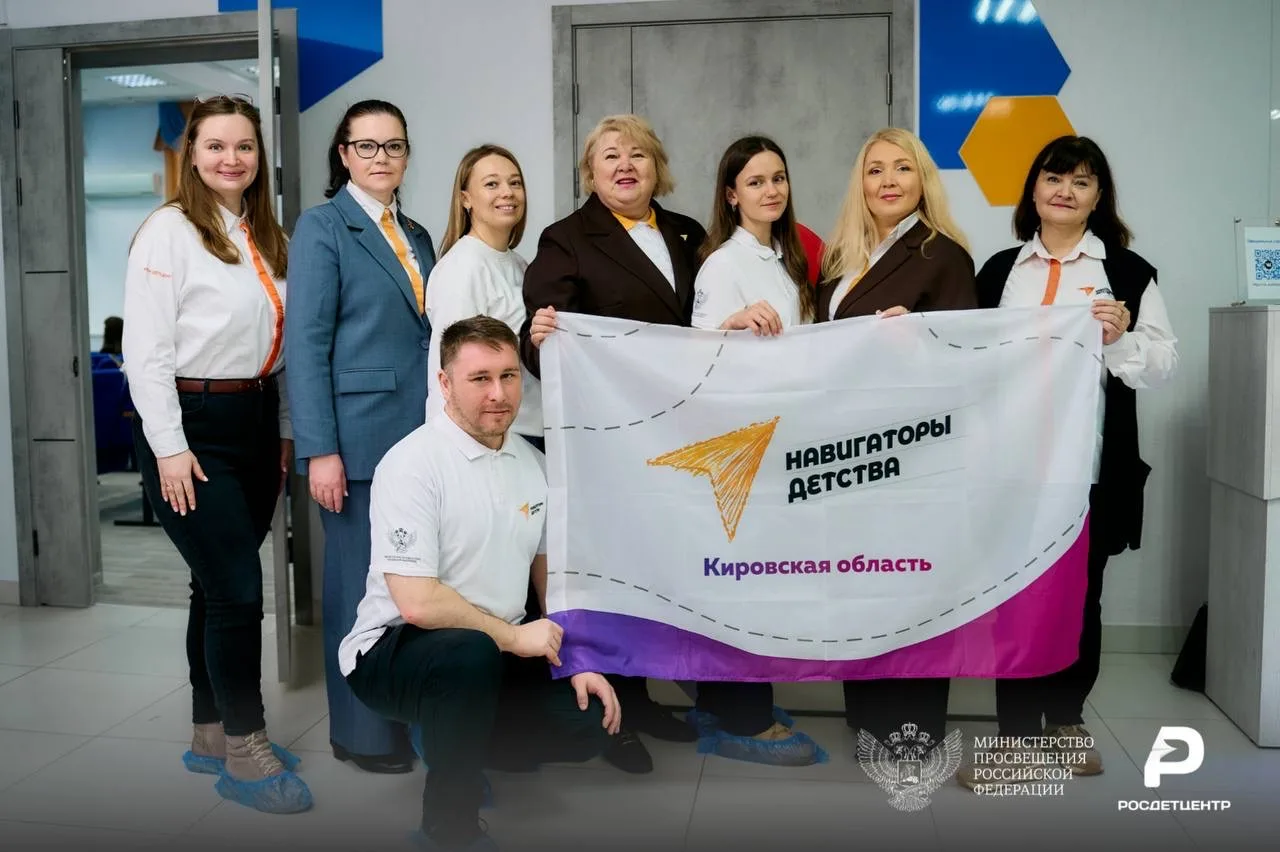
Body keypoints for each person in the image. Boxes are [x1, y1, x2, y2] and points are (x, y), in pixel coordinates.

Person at [341, 316, 618, 851]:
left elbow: (547, 573)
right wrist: (515, 638)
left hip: (491, 649)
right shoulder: (412, 464)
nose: (499, 394)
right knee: (468, 657)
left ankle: (452, 736)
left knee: (584, 722)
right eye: (480, 379)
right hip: (395, 649)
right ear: (445, 384)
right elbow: (417, 603)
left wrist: (579, 661)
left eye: (509, 376)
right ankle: (449, 828)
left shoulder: (532, 463)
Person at [958, 135, 1177, 787]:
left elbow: (1161, 367)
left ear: (1098, 197)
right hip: (1010, 467)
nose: (1065, 191)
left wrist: (1120, 338)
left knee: (1082, 597)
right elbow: (965, 359)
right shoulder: (1000, 271)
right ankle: (1016, 733)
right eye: (1055, 178)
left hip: (1091, 467)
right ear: (1033, 189)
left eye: (1082, 181)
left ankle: (1066, 720)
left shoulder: (1128, 273)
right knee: (1015, 596)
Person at [122, 94, 311, 814]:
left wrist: (284, 428)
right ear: (192, 154)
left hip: (256, 421)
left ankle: (208, 734)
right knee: (237, 588)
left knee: (214, 585)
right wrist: (170, 449)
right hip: (191, 425)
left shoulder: (266, 233)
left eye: (245, 146)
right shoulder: (168, 232)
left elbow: (282, 348)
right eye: (216, 146)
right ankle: (245, 749)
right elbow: (146, 352)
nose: (232, 158)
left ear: (260, 156)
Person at [521, 113, 703, 774]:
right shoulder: (566, 239)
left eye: (638, 154)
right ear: (590, 173)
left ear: (657, 167)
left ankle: (644, 698)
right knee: (612, 575)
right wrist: (539, 338)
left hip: (680, 433)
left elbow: (704, 322)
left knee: (656, 569)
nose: (625, 165)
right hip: (608, 439)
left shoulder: (688, 234)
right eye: (609, 156)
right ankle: (609, 718)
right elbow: (540, 336)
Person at [815, 127, 977, 751]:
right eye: (875, 169)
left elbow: (964, 358)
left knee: (912, 585)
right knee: (861, 579)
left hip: (913, 454)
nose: (888, 180)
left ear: (922, 180)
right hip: (848, 450)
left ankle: (914, 724)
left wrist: (922, 337)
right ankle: (867, 711)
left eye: (902, 168)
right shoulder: (840, 259)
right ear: (860, 183)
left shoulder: (944, 256)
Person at [285, 99, 435, 774]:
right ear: (343, 154)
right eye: (366, 145)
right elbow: (306, 344)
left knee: (413, 591)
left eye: (393, 145)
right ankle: (361, 735)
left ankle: (409, 725)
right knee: (358, 590)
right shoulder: (323, 227)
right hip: (356, 445)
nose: (381, 157)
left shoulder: (419, 233)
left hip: (421, 439)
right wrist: (320, 450)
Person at [685, 135, 823, 766]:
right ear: (731, 195)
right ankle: (746, 716)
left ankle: (721, 702)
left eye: (779, 178)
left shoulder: (787, 261)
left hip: (782, 436)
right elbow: (695, 354)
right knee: (745, 582)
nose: (771, 190)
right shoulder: (723, 265)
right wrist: (730, 325)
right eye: (756, 181)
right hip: (743, 444)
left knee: (753, 576)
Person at [426, 145, 540, 446]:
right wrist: (453, 449)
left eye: (515, 183)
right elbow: (449, 368)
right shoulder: (461, 268)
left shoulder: (520, 265)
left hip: (527, 429)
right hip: (490, 435)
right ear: (466, 199)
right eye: (492, 184)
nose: (507, 192)